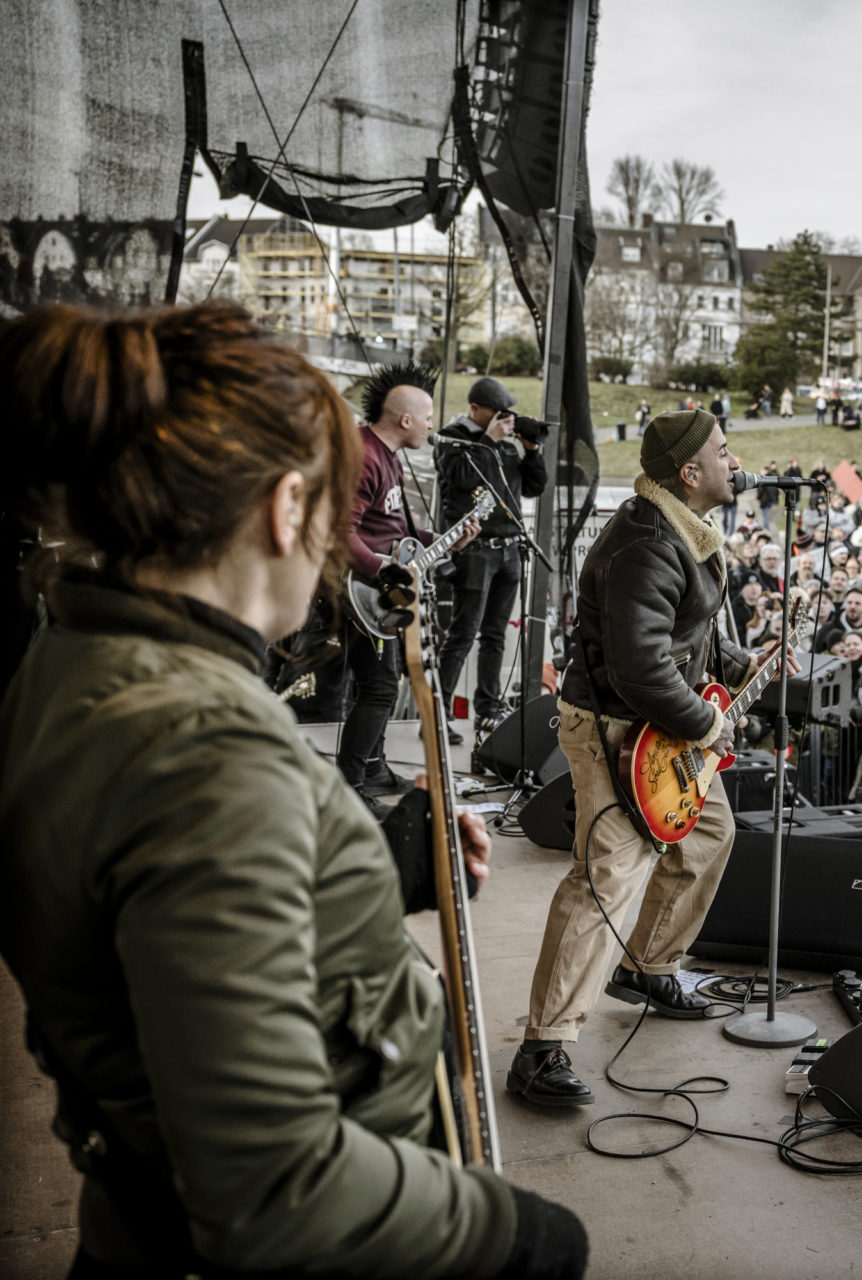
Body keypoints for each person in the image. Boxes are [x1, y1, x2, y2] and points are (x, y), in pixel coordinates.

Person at [0, 302, 583, 1277]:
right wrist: (514, 1234)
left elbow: (156, 904)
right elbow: (278, 1191)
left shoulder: (79, 654)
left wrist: (371, 862)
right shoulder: (206, 749)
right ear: (284, 511)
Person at [513, 409, 775, 1107]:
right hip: (617, 729)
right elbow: (641, 668)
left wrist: (742, 666)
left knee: (711, 832)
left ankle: (648, 965)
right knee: (607, 875)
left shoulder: (685, 530)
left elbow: (689, 634)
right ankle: (543, 1047)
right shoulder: (647, 544)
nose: (735, 459)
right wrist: (707, 724)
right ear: (691, 473)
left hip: (661, 729)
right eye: (724, 451)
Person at [338, 362, 480, 802]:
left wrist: (444, 540)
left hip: (381, 590)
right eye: (429, 419)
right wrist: (381, 569)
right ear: (405, 420)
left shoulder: (390, 458)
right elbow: (337, 532)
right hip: (360, 590)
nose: (432, 427)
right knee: (379, 687)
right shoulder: (363, 455)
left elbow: (395, 531)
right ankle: (350, 786)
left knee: (383, 682)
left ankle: (376, 771)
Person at [435, 375, 546, 744]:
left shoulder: (503, 445)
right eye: (497, 412)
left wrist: (530, 449)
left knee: (495, 635)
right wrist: (489, 441)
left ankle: (488, 710)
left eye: (507, 413)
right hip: (475, 549)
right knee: (462, 633)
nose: (504, 419)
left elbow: (533, 487)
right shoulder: (454, 439)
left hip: (510, 549)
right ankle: (438, 715)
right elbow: (461, 478)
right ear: (476, 409)